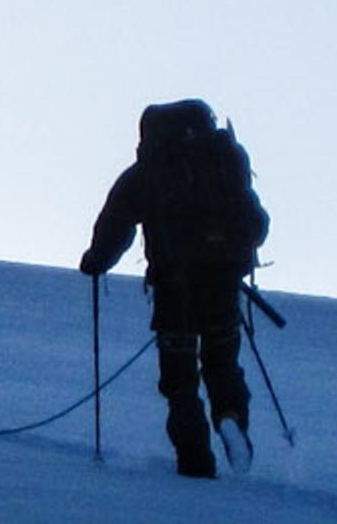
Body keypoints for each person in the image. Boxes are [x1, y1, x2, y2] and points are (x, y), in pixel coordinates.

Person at [79, 99, 270, 478]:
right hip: (222, 282)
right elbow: (257, 223)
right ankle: (230, 418)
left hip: (174, 288)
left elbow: (115, 224)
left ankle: (195, 461)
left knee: (180, 380)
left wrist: (95, 261)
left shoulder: (147, 172)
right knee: (222, 364)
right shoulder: (223, 160)